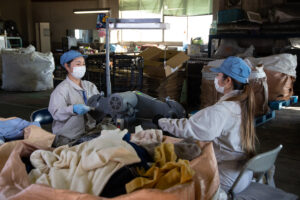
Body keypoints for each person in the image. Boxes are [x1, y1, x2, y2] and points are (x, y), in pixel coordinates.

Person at [157, 56, 256, 193]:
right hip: (243, 173)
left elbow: (189, 129)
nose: (216, 78)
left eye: (218, 75)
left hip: (227, 177)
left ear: (228, 81)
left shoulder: (223, 109)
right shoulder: (242, 103)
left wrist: (161, 122)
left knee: (173, 177)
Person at [49, 50, 100, 145]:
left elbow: (99, 106)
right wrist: (73, 109)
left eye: (83, 64)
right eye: (78, 64)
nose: (82, 67)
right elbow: (56, 113)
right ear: (67, 66)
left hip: (89, 131)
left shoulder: (90, 86)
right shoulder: (61, 90)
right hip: (68, 137)